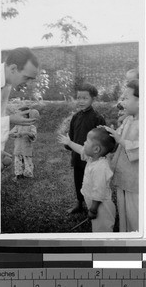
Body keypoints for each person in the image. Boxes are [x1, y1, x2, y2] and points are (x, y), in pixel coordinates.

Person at [58, 127, 116, 232]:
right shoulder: (93, 158)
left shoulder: (100, 167)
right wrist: (69, 143)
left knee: (102, 230)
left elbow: (99, 191)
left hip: (101, 207)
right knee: (97, 228)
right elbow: (81, 149)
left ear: (96, 149)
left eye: (87, 141)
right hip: (94, 203)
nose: (84, 143)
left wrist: (93, 210)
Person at [64, 82, 106, 214]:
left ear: (93, 99)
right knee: (78, 180)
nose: (81, 101)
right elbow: (71, 135)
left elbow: (102, 139)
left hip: (92, 158)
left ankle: (93, 204)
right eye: (79, 98)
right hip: (77, 155)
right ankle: (79, 203)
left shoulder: (97, 118)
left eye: (85, 98)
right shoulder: (76, 117)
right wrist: (68, 144)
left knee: (92, 181)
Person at [105, 79, 139, 232]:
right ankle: (126, 234)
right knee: (124, 211)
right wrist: (108, 134)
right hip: (123, 174)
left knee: (135, 213)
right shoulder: (129, 119)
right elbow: (117, 136)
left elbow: (140, 147)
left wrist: (121, 141)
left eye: (126, 98)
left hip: (135, 181)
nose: (122, 102)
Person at [1, 47, 39, 156]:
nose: (29, 84)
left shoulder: (6, 83)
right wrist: (10, 120)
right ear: (13, 69)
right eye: (27, 78)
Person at [9, 107, 40, 181]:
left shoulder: (31, 126)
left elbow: (33, 135)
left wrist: (26, 133)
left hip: (26, 147)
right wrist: (15, 134)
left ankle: (28, 175)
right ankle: (18, 174)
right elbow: (11, 133)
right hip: (18, 147)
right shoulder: (17, 126)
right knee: (17, 161)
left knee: (27, 161)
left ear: (26, 116)